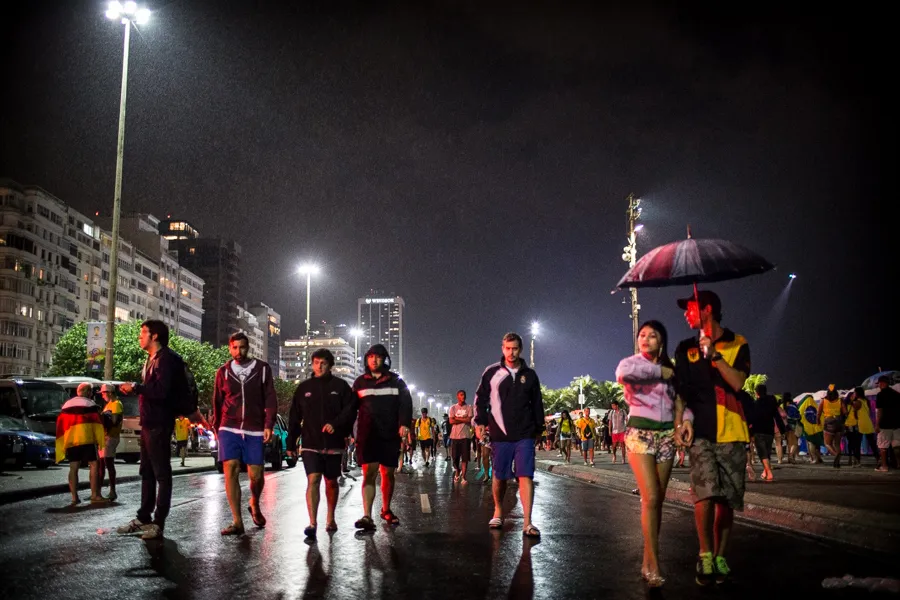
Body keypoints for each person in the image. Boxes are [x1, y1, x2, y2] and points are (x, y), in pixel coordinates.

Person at [672, 290, 751, 586]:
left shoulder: (737, 342)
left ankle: (720, 554)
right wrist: (680, 422)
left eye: (689, 308)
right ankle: (705, 554)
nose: (685, 314)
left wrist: (714, 356)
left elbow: (738, 383)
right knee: (703, 494)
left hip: (732, 430)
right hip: (700, 432)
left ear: (707, 309)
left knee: (726, 500)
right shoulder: (684, 348)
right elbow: (681, 393)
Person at [616, 319, 679, 588]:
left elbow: (679, 400)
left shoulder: (671, 369)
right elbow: (623, 377)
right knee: (650, 496)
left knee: (658, 501)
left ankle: (646, 560)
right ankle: (654, 562)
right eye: (642, 334)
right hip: (640, 434)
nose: (646, 339)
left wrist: (684, 422)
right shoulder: (632, 364)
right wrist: (657, 373)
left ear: (661, 341)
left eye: (652, 336)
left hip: (667, 436)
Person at [117, 320, 191, 541]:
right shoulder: (152, 359)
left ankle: (158, 522)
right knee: (147, 472)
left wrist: (137, 388)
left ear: (155, 336)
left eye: (143, 333)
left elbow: (162, 391)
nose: (139, 337)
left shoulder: (167, 360)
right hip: (149, 423)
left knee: (161, 474)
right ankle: (144, 517)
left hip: (160, 423)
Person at [474, 332, 544, 538]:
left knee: (525, 475)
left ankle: (528, 522)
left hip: (525, 434)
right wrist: (480, 422)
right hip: (500, 434)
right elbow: (481, 399)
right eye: (507, 348)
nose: (510, 352)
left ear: (520, 349)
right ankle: (498, 511)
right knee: (500, 476)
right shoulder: (491, 373)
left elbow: (537, 403)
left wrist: (538, 429)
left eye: (514, 348)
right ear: (502, 348)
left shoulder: (530, 375)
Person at [210, 332, 277, 535]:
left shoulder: (262, 369)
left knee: (256, 475)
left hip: (254, 428)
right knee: (230, 468)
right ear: (230, 349)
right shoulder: (222, 372)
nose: (239, 351)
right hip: (228, 427)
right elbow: (217, 401)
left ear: (248, 348)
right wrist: (216, 427)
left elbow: (270, 398)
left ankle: (254, 502)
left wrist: (269, 424)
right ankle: (237, 521)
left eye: (243, 347)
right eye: (235, 348)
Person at [287, 348, 356, 538]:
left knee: (331, 482)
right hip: (310, 443)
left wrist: (337, 425)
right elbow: (294, 416)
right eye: (316, 362)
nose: (320, 366)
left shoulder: (341, 387)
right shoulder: (304, 388)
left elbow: (350, 412)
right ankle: (312, 522)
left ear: (331, 365)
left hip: (333, 444)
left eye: (324, 362)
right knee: (313, 479)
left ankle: (331, 517)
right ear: (312, 364)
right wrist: (290, 442)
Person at [352, 344, 413, 531]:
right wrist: (348, 432)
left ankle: (386, 510)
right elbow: (350, 408)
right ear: (366, 359)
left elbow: (406, 403)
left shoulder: (396, 381)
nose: (374, 360)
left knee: (388, 473)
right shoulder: (360, 382)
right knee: (368, 474)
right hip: (367, 435)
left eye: (378, 357)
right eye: (370, 356)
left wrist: (404, 424)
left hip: (389, 435)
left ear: (384, 359)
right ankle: (367, 516)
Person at [55, 383, 106, 506]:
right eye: (91, 392)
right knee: (94, 464)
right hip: (87, 439)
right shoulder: (90, 404)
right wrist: (100, 441)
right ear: (88, 392)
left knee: (73, 467)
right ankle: (95, 495)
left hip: (71, 440)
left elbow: (60, 424)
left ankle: (74, 497)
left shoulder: (67, 405)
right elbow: (98, 424)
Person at [749, 385, 786, 481]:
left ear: (757, 393)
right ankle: (765, 472)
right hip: (769, 431)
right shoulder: (771, 403)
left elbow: (751, 419)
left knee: (762, 452)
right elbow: (777, 417)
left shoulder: (755, 404)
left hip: (758, 430)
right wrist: (782, 430)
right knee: (767, 452)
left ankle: (769, 472)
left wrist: (750, 431)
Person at [98, 383, 123, 501]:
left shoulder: (116, 404)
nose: (102, 396)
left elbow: (113, 421)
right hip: (105, 437)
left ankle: (112, 491)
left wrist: (103, 417)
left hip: (111, 437)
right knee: (102, 465)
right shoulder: (108, 404)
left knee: (108, 463)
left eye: (103, 393)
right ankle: (97, 492)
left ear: (109, 393)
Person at [818, 384, 847, 468]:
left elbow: (819, 412)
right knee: (837, 444)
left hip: (829, 422)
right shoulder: (840, 400)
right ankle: (838, 460)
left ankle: (835, 454)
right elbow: (845, 412)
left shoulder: (823, 401)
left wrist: (818, 421)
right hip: (839, 422)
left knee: (827, 443)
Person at [875, 376, 900, 472]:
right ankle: (898, 464)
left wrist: (877, 424)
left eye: (880, 383)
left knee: (883, 446)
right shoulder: (897, 394)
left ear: (883, 383)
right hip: (897, 424)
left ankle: (884, 466)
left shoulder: (880, 395)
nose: (879, 386)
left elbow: (879, 411)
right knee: (897, 445)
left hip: (885, 424)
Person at [449, 389, 474, 483]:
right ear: (457, 396)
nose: (463, 396)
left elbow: (469, 420)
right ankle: (457, 470)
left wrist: (456, 418)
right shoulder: (453, 408)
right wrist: (463, 418)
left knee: (465, 458)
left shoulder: (469, 407)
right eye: (461, 395)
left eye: (464, 395)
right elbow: (451, 421)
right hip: (454, 436)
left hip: (465, 436)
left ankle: (463, 477)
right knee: (454, 457)